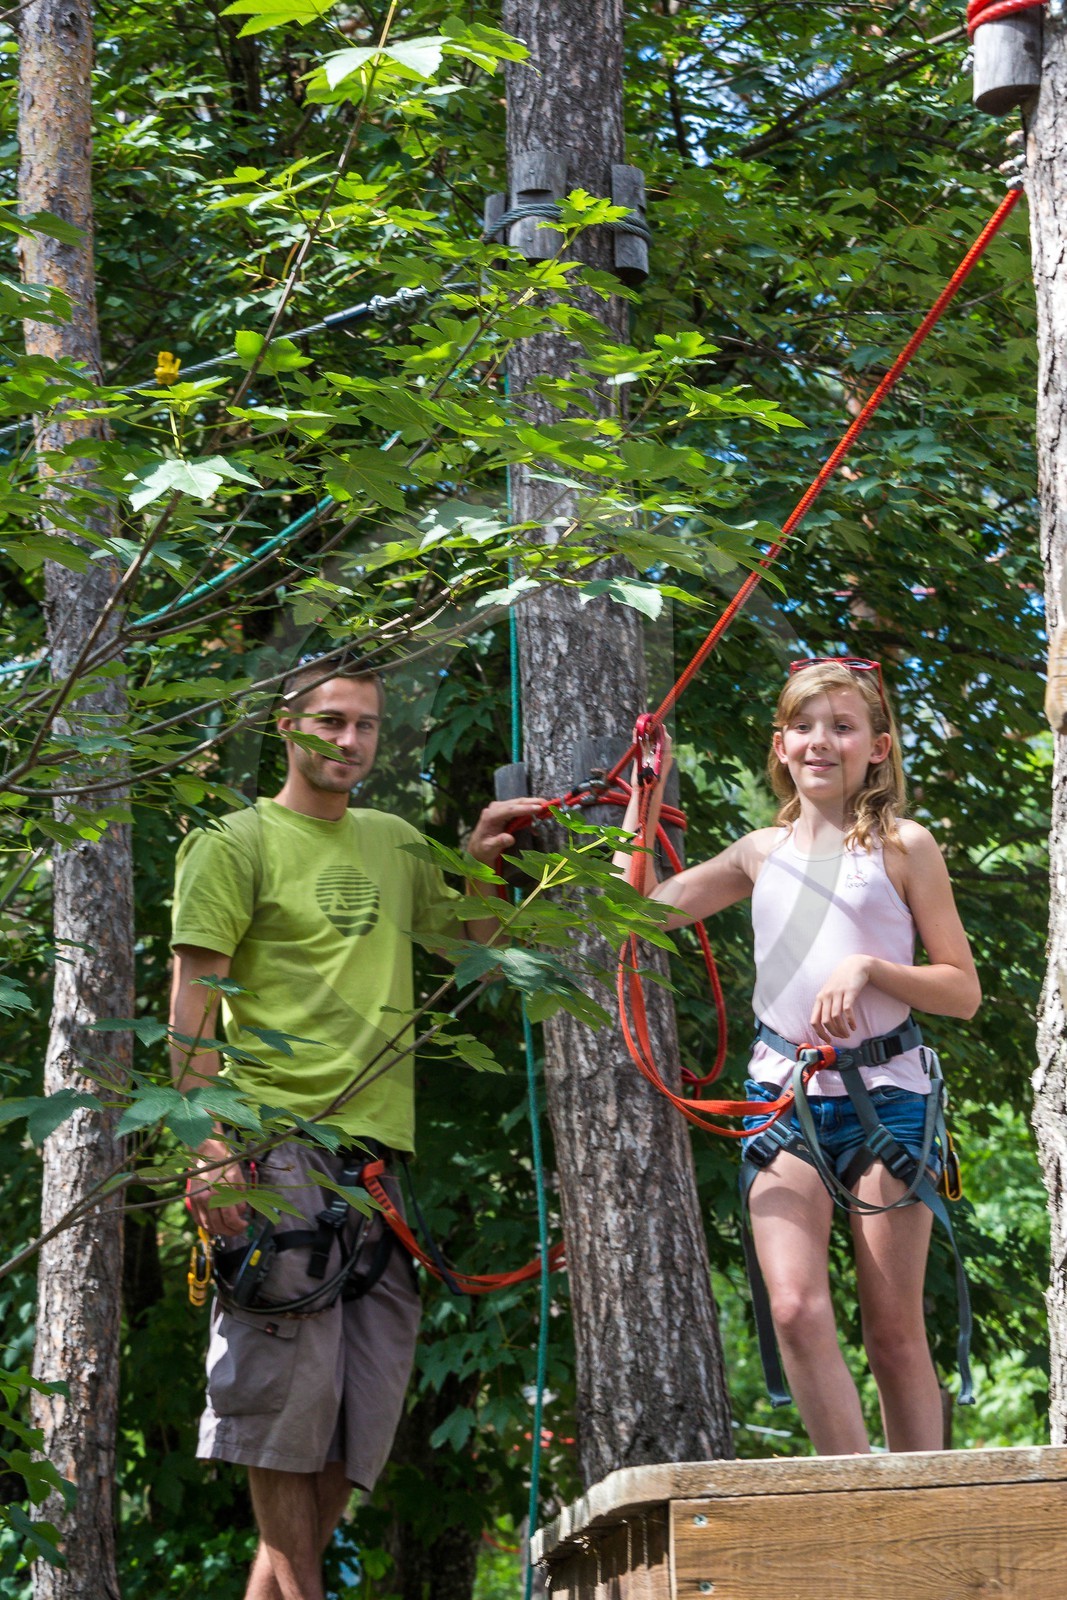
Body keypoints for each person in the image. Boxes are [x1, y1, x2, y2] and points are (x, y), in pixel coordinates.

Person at [169, 663, 542, 1600]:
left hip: (376, 1166)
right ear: (286, 727)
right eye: (329, 722)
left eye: (366, 726)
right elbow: (190, 1006)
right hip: (273, 1148)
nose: (348, 742)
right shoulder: (235, 841)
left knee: (354, 1422)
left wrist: (485, 859)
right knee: (281, 1412)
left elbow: (476, 955)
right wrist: (205, 1145)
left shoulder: (396, 843)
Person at [616, 657, 980, 1456]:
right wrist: (645, 798)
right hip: (784, 1097)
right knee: (793, 1310)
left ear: (877, 747)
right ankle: (853, 1495)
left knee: (892, 1330)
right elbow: (636, 910)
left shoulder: (902, 846)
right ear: (780, 746)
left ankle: (922, 1498)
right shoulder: (758, 851)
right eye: (804, 728)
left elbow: (960, 989)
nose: (822, 742)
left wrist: (871, 970)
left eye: (842, 727)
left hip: (889, 1096)